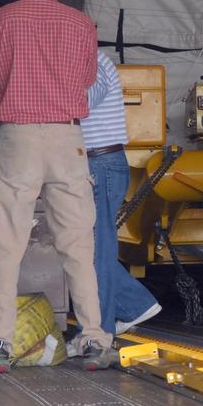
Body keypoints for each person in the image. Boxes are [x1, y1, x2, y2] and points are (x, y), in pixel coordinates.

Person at [0, 0, 115, 373]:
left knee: (7, 244)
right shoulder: (81, 24)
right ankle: (92, 339)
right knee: (78, 245)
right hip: (67, 140)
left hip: (17, 138)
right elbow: (88, 79)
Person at [82, 50, 160, 338]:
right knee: (88, 246)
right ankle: (131, 305)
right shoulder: (87, 60)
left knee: (94, 247)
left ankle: (102, 327)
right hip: (95, 161)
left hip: (99, 162)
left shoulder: (91, 61)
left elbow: (84, 102)